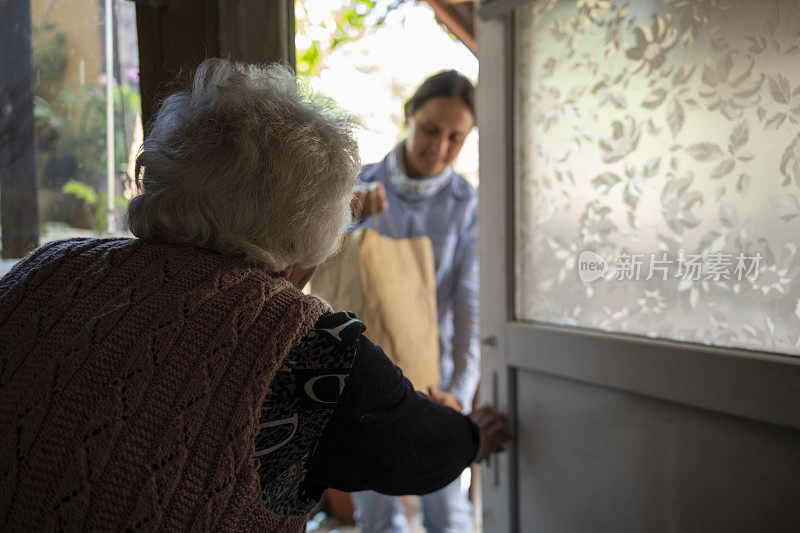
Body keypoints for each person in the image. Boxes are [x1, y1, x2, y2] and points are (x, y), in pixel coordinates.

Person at [0, 59, 510, 532]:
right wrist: (473, 437)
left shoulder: (50, 266)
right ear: (306, 228)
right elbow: (412, 449)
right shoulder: (303, 344)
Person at [350, 70, 481, 533]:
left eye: (456, 138)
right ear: (409, 116)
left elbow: (470, 306)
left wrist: (460, 394)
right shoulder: (355, 188)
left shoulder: (467, 204)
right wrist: (348, 214)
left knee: (448, 511)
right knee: (377, 516)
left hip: (433, 381)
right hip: (361, 380)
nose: (439, 147)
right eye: (430, 129)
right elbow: (311, 265)